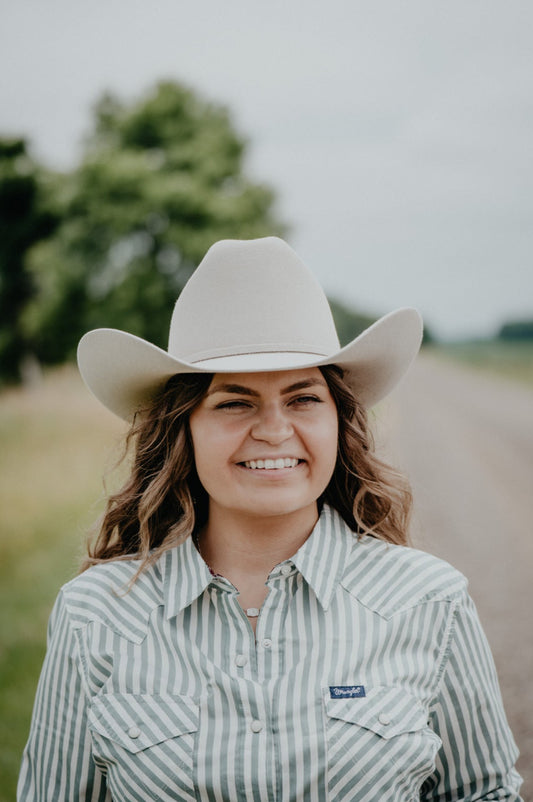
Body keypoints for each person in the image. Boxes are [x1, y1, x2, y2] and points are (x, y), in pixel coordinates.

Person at [18, 237, 522, 801]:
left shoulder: (431, 601)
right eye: (235, 402)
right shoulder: (95, 614)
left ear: (339, 422)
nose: (275, 429)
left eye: (303, 398)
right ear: (182, 429)